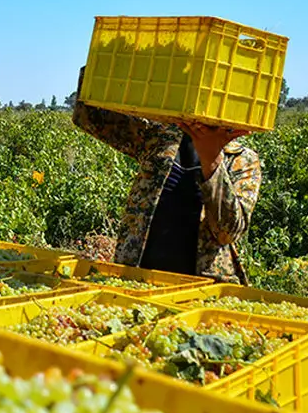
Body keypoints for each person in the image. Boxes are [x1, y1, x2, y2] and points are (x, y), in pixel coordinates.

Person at [71, 67, 261, 284]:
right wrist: (111, 60)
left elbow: (227, 232)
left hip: (204, 286)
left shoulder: (242, 160)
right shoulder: (160, 137)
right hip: (139, 277)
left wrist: (213, 160)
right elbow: (88, 115)